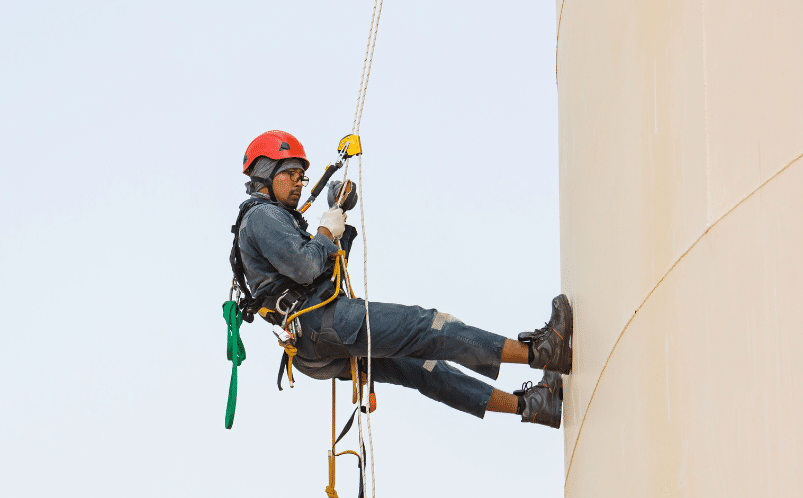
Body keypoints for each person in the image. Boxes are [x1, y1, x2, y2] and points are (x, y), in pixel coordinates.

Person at [229, 130, 570, 427]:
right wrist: (323, 231)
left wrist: (339, 221)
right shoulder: (262, 215)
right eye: (291, 173)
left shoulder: (276, 220)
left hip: (315, 338)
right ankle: (540, 352)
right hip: (319, 322)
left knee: (424, 368)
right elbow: (306, 267)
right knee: (428, 327)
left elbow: (327, 270)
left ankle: (533, 407)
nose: (299, 184)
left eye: (302, 176)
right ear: (266, 172)